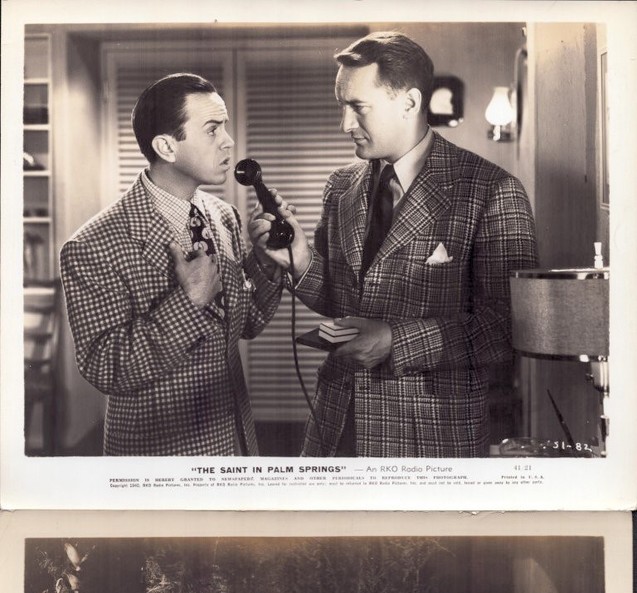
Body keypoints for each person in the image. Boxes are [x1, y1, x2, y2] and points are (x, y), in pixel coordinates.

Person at [250, 31, 539, 458]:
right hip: (335, 427)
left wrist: (394, 341)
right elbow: (341, 300)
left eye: (358, 107)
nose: (345, 124)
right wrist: (301, 262)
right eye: (342, 106)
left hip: (429, 442)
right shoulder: (341, 185)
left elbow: (510, 327)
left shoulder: (492, 190)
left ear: (409, 102)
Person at [60, 73, 282, 456]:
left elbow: (247, 324)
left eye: (225, 127)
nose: (228, 141)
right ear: (166, 146)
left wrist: (264, 261)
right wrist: (188, 302)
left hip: (235, 443)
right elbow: (105, 368)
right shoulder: (90, 245)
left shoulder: (224, 216)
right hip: (161, 453)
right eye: (212, 130)